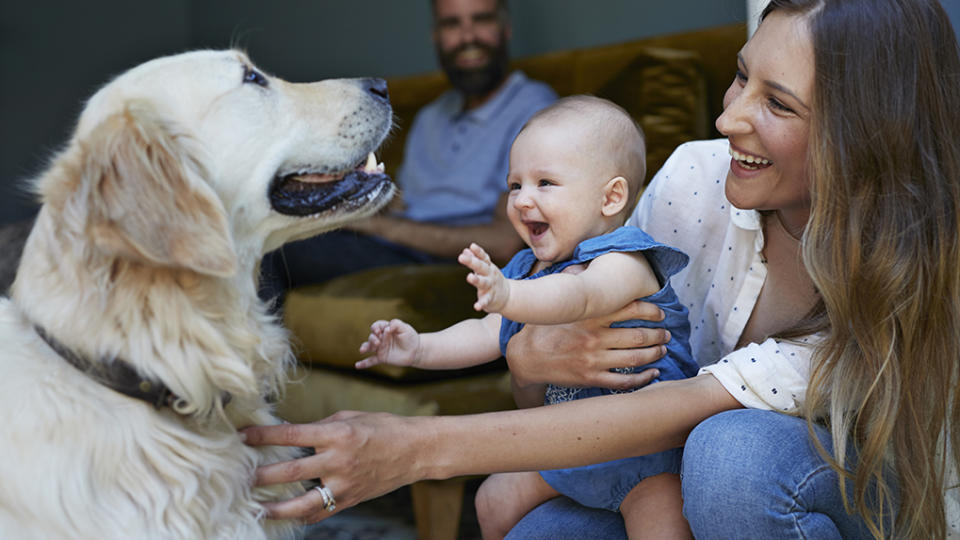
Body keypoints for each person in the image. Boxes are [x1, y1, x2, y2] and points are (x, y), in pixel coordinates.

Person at [244, 1, 960, 538]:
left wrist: (412, 450)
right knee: (538, 530)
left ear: (861, 138)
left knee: (733, 457)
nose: (728, 118)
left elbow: (676, 413)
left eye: (776, 103)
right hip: (669, 465)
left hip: (867, 497)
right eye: (741, 77)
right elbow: (571, 389)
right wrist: (530, 356)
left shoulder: (903, 264)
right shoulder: (692, 180)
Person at [356, 96, 698, 539]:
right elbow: (484, 333)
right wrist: (418, 347)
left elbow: (578, 296)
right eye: (514, 185)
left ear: (610, 197)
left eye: (545, 183)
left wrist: (510, 294)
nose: (522, 200)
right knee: (491, 499)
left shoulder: (626, 260)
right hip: (567, 450)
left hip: (646, 459)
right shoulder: (527, 269)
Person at [258, 0, 557, 303]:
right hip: (391, 247)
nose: (467, 37)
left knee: (274, 251)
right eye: (452, 24)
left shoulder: (534, 109)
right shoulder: (430, 116)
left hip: (447, 262)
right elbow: (402, 203)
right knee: (269, 232)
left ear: (505, 29)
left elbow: (506, 242)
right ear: (436, 37)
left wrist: (374, 225)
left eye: (481, 19)